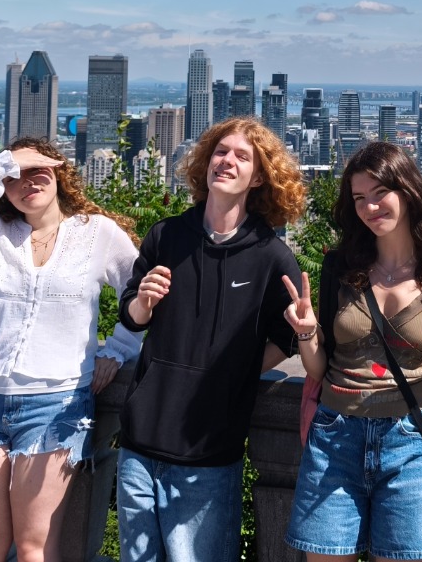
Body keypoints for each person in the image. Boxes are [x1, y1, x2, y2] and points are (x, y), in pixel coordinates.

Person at [0, 137, 143, 562]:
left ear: (59, 174)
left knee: (34, 549)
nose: (27, 181)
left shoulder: (95, 233)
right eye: (16, 177)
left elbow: (142, 294)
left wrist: (119, 349)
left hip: (57, 403)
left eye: (38, 171)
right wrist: (1, 164)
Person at [116, 116, 307, 562]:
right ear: (205, 162)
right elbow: (132, 315)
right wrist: (143, 301)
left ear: (259, 176)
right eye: (221, 152)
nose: (228, 161)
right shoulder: (167, 235)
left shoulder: (272, 256)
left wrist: (231, 374)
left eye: (243, 156)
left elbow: (289, 337)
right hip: (139, 443)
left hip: (209, 451)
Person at [283, 141, 422, 562]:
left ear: (407, 191)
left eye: (380, 193)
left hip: (409, 439)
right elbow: (317, 367)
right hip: (335, 436)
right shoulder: (339, 269)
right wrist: (308, 333)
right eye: (359, 198)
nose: (370, 207)